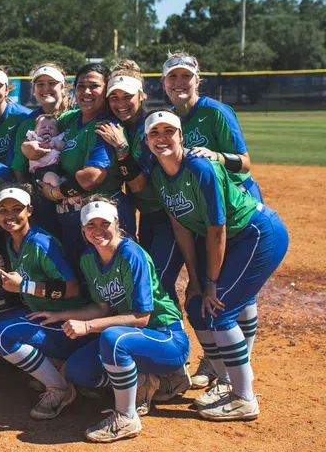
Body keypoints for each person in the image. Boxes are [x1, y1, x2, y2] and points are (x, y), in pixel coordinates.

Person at [145, 109, 288, 421]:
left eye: (169, 132)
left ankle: (244, 397)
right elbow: (180, 227)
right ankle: (227, 381)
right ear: (146, 141)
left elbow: (217, 231)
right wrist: (195, 279)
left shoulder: (199, 168)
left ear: (181, 136)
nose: (162, 139)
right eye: (154, 133)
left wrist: (210, 282)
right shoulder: (159, 175)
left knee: (219, 310)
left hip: (256, 233)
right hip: (236, 239)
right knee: (196, 306)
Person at [161, 52, 264, 388]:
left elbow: (246, 163)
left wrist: (217, 156)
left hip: (235, 205)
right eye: (172, 78)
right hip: (201, 211)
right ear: (164, 83)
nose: (179, 83)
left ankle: (235, 366)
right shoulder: (169, 119)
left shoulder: (215, 112)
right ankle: (218, 360)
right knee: (210, 284)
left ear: (197, 79)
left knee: (233, 292)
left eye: (185, 77)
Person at [52, 196, 190, 442]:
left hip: (166, 337)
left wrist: (87, 326)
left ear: (116, 223)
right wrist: (59, 315)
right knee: (78, 371)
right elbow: (101, 307)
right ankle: (146, 378)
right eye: (91, 225)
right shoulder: (88, 259)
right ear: (83, 230)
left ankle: (126, 417)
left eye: (104, 223)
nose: (98, 230)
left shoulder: (131, 255)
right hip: (134, 338)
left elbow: (142, 317)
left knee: (113, 338)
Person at [0, 186, 92, 419]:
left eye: (17, 209)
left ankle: (60, 388)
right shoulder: (12, 242)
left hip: (69, 324)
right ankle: (55, 364)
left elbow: (72, 288)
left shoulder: (41, 243)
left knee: (2, 335)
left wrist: (24, 286)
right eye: (3, 210)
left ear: (30, 211)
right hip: (46, 317)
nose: (10, 215)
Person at [94, 61, 183, 307]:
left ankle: (174, 336)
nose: (120, 103)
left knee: (160, 283)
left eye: (127, 96)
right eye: (114, 97)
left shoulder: (151, 127)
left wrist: (122, 148)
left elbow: (138, 186)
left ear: (141, 95)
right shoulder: (123, 127)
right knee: (147, 279)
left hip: (170, 216)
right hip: (147, 217)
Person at [28, 63, 133, 267]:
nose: (86, 92)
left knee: (111, 279)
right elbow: (43, 138)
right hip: (72, 218)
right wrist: (28, 147)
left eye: (94, 86)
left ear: (106, 89)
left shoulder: (106, 126)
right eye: (81, 86)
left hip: (102, 217)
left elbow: (91, 177)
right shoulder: (70, 118)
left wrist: (54, 194)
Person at [11, 63, 75, 237]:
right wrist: (31, 198)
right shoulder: (28, 123)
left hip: (77, 198)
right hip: (44, 200)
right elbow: (18, 168)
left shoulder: (77, 116)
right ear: (33, 89)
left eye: (52, 83)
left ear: (63, 87)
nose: (46, 88)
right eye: (40, 84)